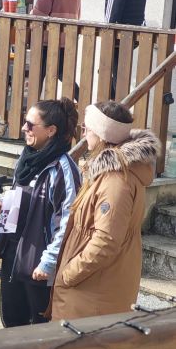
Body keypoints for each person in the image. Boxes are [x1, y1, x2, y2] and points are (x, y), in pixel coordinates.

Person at [51, 101, 159, 321]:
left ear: (101, 134)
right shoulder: (108, 173)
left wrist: (68, 274)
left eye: (87, 128)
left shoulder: (115, 181)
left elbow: (106, 240)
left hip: (93, 291)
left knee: (78, 343)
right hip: (94, 285)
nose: (83, 134)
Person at [0, 98, 81, 327]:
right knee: (12, 322)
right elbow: (22, 200)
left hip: (39, 262)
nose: (24, 128)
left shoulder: (63, 168)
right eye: (25, 122)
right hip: (14, 254)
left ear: (51, 131)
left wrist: (48, 262)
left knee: (40, 328)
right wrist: (2, 206)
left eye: (30, 125)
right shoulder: (27, 159)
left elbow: (68, 220)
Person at [31, 0, 83, 101]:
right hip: (67, 41)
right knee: (64, 75)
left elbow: (38, 16)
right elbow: (78, 15)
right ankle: (83, 100)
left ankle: (34, 106)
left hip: (48, 41)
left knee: (38, 75)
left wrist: (30, 14)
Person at [102, 0, 146, 98]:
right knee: (120, 73)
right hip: (135, 33)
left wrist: (106, 30)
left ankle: (117, 106)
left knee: (111, 72)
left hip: (118, 35)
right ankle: (118, 103)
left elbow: (110, 14)